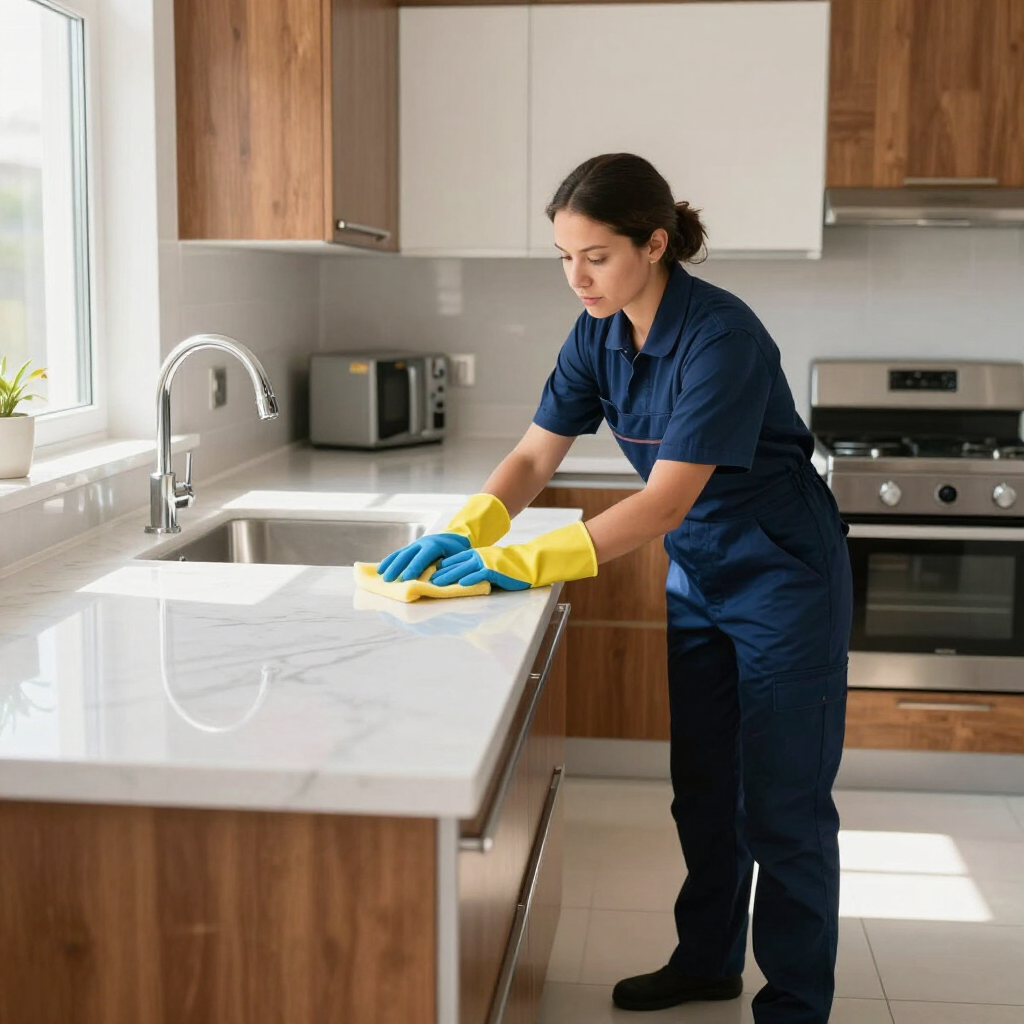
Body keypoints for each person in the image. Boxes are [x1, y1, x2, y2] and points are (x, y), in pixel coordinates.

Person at [377, 153, 852, 1024]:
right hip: (701, 574)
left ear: (655, 243)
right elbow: (531, 455)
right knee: (704, 787)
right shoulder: (597, 332)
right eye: (564, 255)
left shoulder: (721, 338)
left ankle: (794, 1007)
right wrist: (466, 526)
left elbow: (665, 500)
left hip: (784, 573)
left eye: (595, 255)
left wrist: (517, 562)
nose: (577, 276)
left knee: (782, 803)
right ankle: (708, 961)